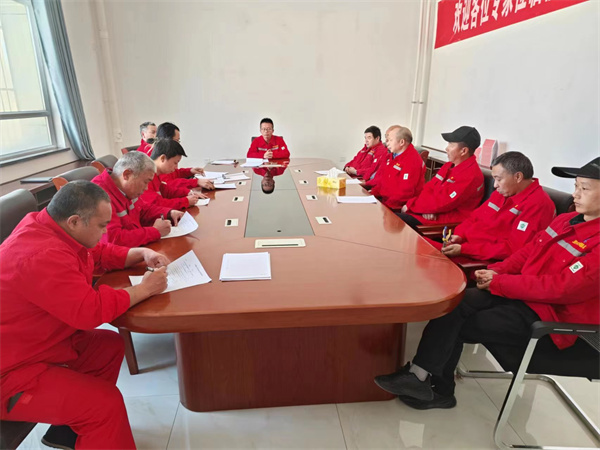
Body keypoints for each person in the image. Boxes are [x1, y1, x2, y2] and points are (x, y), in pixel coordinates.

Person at [373, 157, 600, 410]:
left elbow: (562, 288)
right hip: (522, 294)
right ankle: (419, 377)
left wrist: (501, 282)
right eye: (576, 186)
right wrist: (496, 271)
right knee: (455, 303)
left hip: (551, 317)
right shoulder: (566, 220)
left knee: (459, 324)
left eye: (584, 188)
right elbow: (527, 253)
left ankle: (438, 389)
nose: (575, 194)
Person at [0, 180, 170, 449]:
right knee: (105, 406)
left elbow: (96, 253)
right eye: (102, 226)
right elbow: (88, 311)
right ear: (75, 221)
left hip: (39, 342)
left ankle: (68, 432)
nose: (104, 232)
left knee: (108, 345)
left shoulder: (50, 227)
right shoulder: (40, 254)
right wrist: (143, 290)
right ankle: (89, 422)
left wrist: (140, 253)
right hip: (10, 372)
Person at [434, 152, 556, 262]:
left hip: (481, 261)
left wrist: (465, 249)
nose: (495, 185)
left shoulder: (538, 204)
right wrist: (460, 236)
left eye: (499, 179)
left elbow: (513, 250)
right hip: (465, 248)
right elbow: (474, 218)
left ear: (518, 177)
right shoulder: (503, 192)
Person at [92, 151, 184, 247]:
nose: (146, 188)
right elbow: (114, 240)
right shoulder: (98, 195)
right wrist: (154, 231)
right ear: (127, 175)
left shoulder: (127, 190)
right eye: (145, 182)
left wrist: (169, 213)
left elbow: (143, 210)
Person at [397, 126, 484, 228]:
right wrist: (419, 207)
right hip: (428, 212)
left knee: (395, 222)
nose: (447, 148)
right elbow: (428, 188)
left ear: (463, 151)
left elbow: (443, 202)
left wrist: (412, 206)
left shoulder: (471, 175)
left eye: (451, 145)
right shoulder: (449, 165)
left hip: (444, 221)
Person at [365, 126, 426, 210]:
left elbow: (404, 193)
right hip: (384, 200)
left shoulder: (413, 160)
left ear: (401, 142)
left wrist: (384, 206)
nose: (387, 143)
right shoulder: (392, 156)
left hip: (396, 206)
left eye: (390, 140)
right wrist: (371, 193)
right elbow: (383, 180)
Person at [142, 138, 209, 210]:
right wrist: (185, 201)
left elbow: (166, 191)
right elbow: (157, 204)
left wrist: (188, 192)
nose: (176, 167)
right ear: (163, 158)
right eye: (175, 163)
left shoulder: (155, 174)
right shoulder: (145, 176)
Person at [154, 122, 215, 191]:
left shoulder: (165, 157)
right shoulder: (158, 160)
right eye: (176, 141)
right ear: (167, 140)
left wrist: (190, 171)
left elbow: (174, 173)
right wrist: (195, 182)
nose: (178, 144)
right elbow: (168, 184)